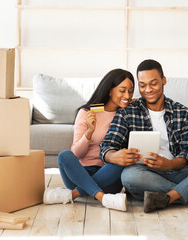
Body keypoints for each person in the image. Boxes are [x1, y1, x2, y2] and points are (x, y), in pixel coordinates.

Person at [100, 60, 188, 213]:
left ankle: (168, 197)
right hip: (147, 175)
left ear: (164, 80)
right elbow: (107, 145)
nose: (148, 89)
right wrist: (112, 156)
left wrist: (168, 164)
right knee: (129, 176)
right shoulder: (128, 112)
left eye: (153, 83)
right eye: (142, 86)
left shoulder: (184, 113)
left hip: (180, 172)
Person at [43, 68, 138, 212]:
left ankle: (73, 194)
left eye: (130, 91)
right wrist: (89, 131)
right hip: (80, 174)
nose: (127, 95)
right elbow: (76, 154)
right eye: (122, 90)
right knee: (64, 155)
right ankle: (103, 198)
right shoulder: (89, 112)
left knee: (122, 160)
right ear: (109, 90)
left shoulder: (127, 113)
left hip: (109, 177)